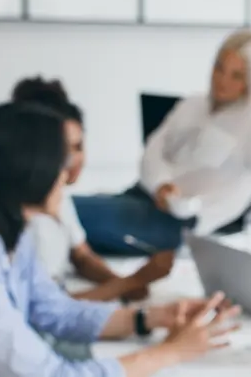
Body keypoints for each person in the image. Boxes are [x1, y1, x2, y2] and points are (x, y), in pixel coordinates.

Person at [0, 103, 241, 377]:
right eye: (60, 162)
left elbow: (57, 312)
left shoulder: (8, 237)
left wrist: (154, 317)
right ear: (25, 174)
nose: (68, 173)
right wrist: (171, 353)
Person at [74, 29, 251, 252]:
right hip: (142, 196)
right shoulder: (193, 104)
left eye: (236, 76)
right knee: (61, 211)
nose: (222, 80)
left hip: (178, 223)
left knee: (67, 213)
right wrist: (161, 185)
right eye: (219, 68)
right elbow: (153, 150)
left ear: (250, 81)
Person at [12, 78, 169, 302]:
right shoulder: (27, 223)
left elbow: (81, 255)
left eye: (79, 146)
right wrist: (130, 284)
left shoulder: (59, 196)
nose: (74, 160)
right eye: (65, 148)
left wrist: (121, 283)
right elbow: (49, 312)